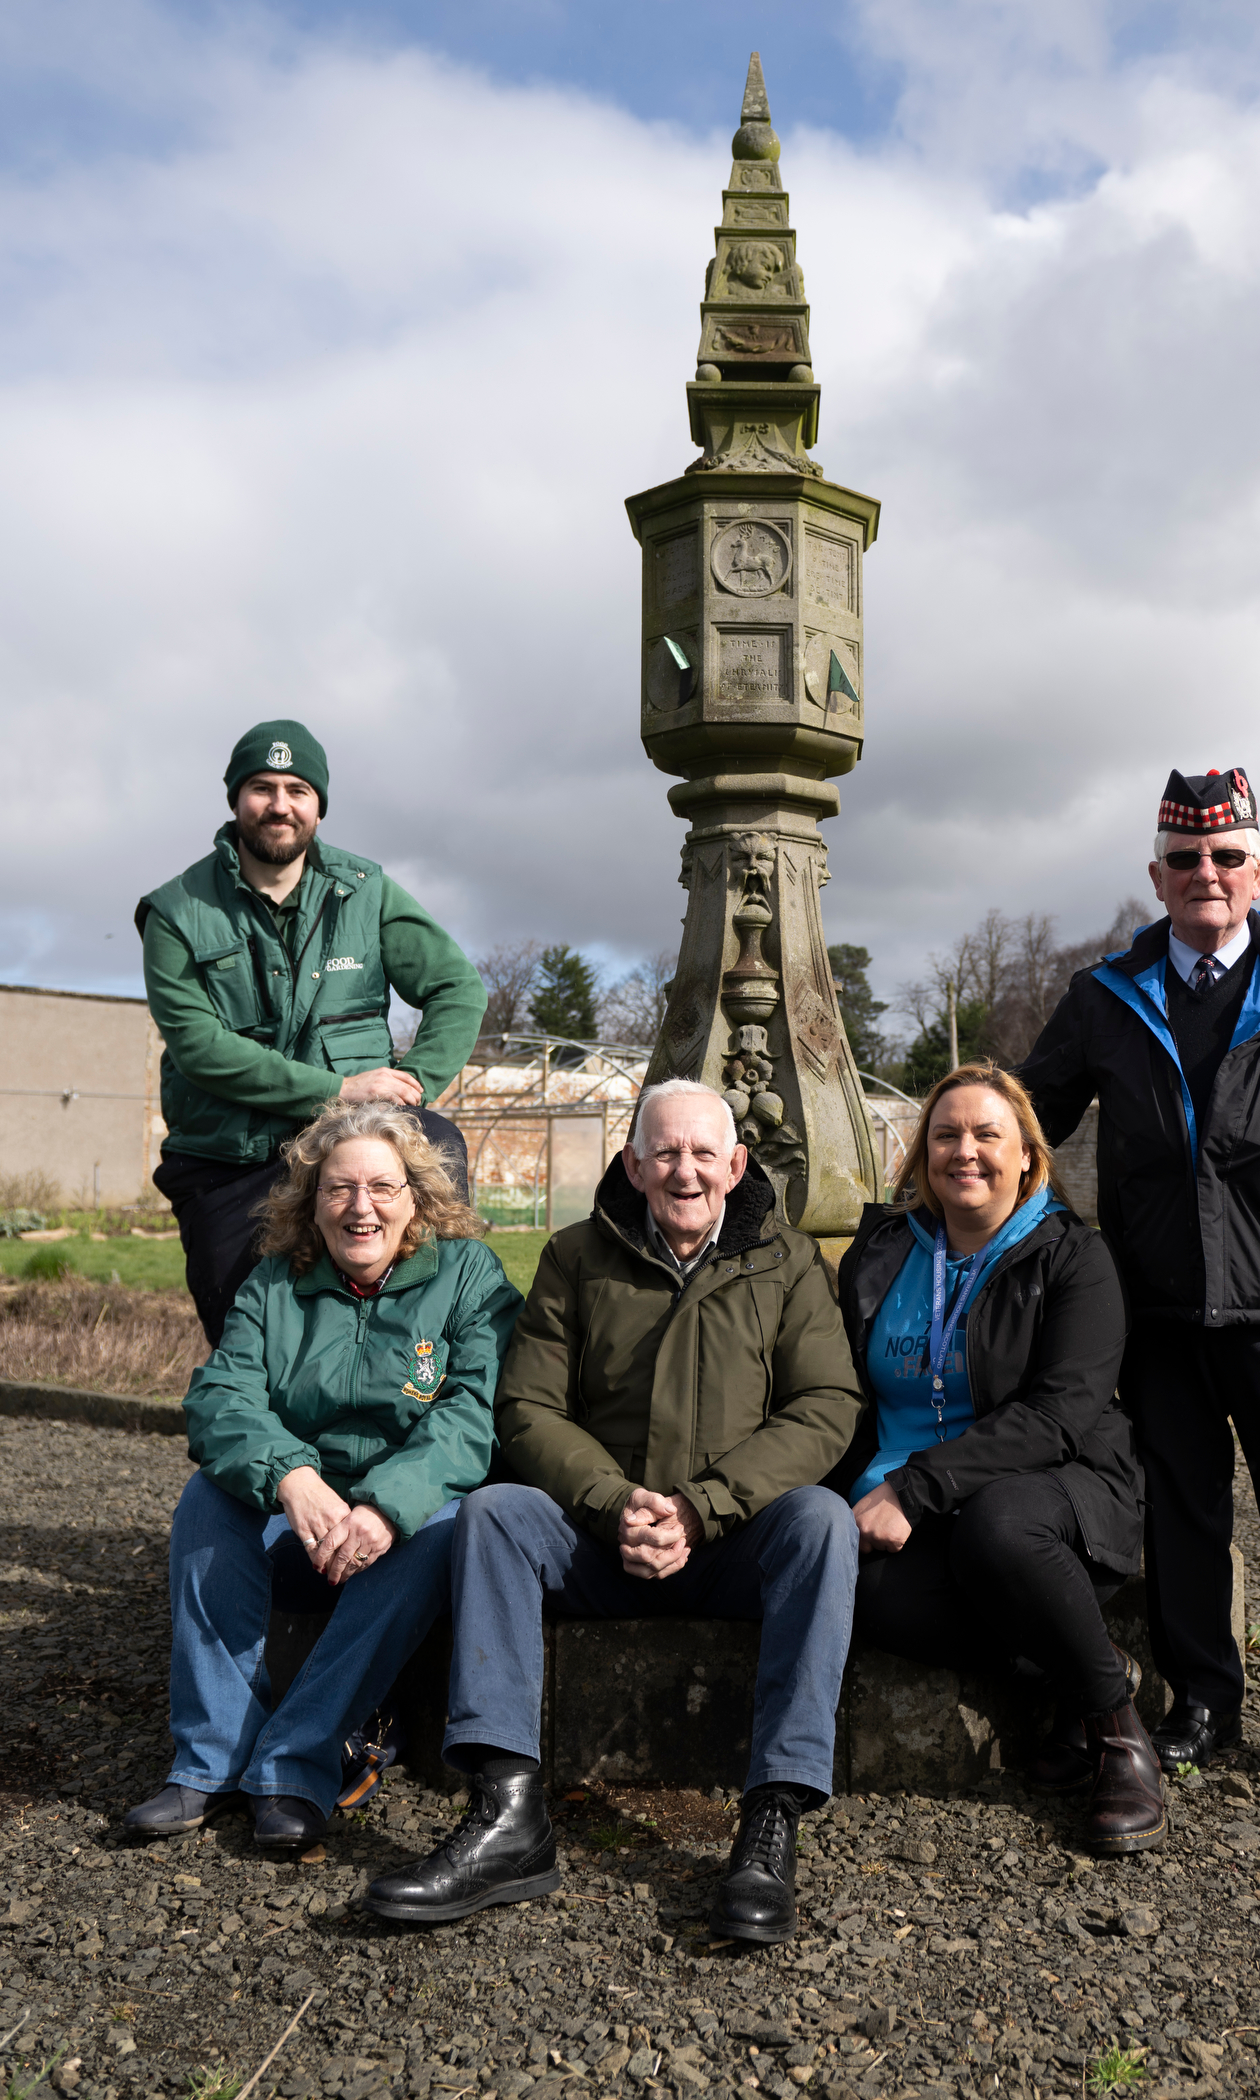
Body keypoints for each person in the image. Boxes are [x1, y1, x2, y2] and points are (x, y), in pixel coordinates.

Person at [363, 1079, 864, 1942]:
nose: (686, 1171)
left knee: (822, 1520)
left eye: (705, 1153)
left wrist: (705, 1508)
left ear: (737, 1164)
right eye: (665, 1152)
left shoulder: (787, 1264)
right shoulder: (574, 1256)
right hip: (604, 1538)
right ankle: (507, 1814)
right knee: (496, 1513)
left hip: (731, 1541)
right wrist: (612, 1502)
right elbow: (527, 1407)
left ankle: (770, 1822)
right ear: (632, 1164)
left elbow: (823, 1407)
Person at [1018, 767, 1260, 1800]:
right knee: (1181, 1510)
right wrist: (968, 1206)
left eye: (1227, 857)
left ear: (1259, 869)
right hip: (1156, 1309)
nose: (1207, 874)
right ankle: (1202, 1697)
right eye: (1186, 859)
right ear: (1157, 874)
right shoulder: (1105, 997)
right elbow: (1028, 1122)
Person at [123, 1100, 521, 1850]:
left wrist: (382, 1507)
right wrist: (292, 1479)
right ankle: (207, 1762)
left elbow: (473, 1414)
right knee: (207, 1500)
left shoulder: (468, 1276)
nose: (360, 1207)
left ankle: (293, 1765)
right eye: (338, 1188)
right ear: (311, 1202)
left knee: (448, 1524)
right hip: (299, 1521)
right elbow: (222, 1398)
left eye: (382, 1187)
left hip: (400, 1528)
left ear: (417, 1198)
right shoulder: (275, 1281)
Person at [834, 1063, 1159, 1854]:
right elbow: (841, 1395)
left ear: (1027, 1157)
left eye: (988, 1135)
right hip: (906, 1490)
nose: (965, 1152)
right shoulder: (880, 1253)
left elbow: (1059, 1416)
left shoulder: (1075, 1258)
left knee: (997, 1528)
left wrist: (918, 1488)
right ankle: (1063, 1663)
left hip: (1057, 1493)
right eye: (945, 1135)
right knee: (853, 1584)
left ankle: (1118, 1730)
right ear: (922, 1157)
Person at [137, 719, 487, 1345]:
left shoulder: (365, 892)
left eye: (298, 790)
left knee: (437, 1150)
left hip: (345, 1147)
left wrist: (409, 1087)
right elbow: (199, 1048)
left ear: (319, 807)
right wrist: (341, 1087)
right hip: (229, 1162)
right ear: (234, 799)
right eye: (262, 788)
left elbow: (457, 989)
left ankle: (431, 1385)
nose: (279, 805)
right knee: (251, 1343)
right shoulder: (175, 911)